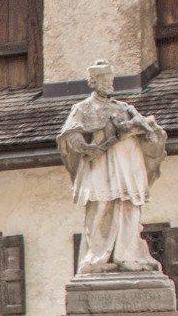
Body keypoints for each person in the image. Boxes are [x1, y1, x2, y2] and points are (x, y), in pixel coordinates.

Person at [56, 60, 168, 274]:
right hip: (99, 164)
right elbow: (71, 135)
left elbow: (148, 132)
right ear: (93, 82)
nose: (110, 84)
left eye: (111, 80)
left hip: (127, 163)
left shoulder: (124, 108)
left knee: (128, 205)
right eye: (105, 80)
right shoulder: (83, 108)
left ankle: (128, 255)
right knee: (100, 206)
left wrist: (143, 129)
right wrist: (87, 148)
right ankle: (97, 258)